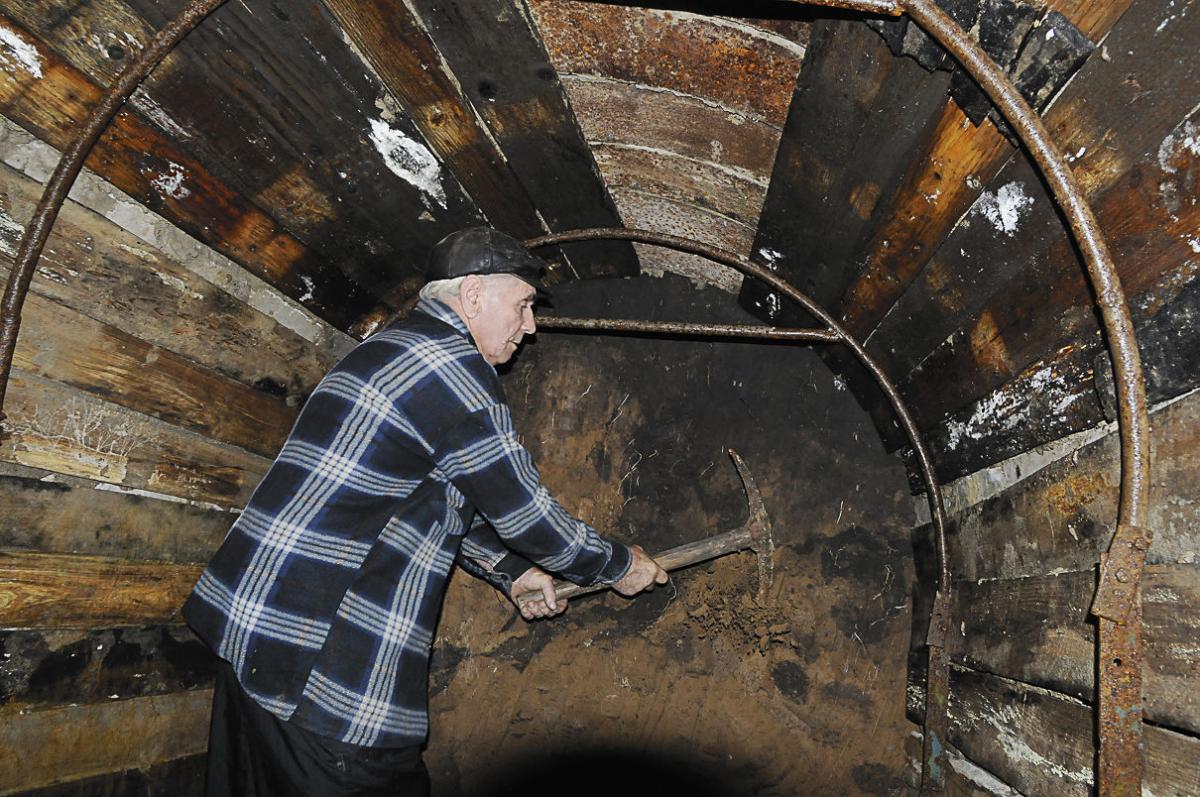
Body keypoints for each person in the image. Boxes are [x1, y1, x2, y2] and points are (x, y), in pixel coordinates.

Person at [183, 226, 667, 796]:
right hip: (319, 658)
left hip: (255, 634)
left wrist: (510, 573)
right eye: (524, 306)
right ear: (473, 295)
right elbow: (528, 518)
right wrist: (617, 565)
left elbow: (430, 500)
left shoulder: (392, 350)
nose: (531, 327)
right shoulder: (454, 372)